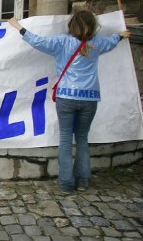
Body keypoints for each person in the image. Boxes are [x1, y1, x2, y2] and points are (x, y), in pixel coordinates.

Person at [8, 10, 131, 194]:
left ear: (72, 25)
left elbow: (38, 41)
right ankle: (82, 182)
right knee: (82, 139)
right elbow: (112, 41)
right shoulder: (97, 44)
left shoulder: (62, 42)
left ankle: (66, 184)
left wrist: (18, 27)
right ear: (93, 26)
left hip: (66, 97)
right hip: (90, 98)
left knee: (66, 139)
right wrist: (120, 36)